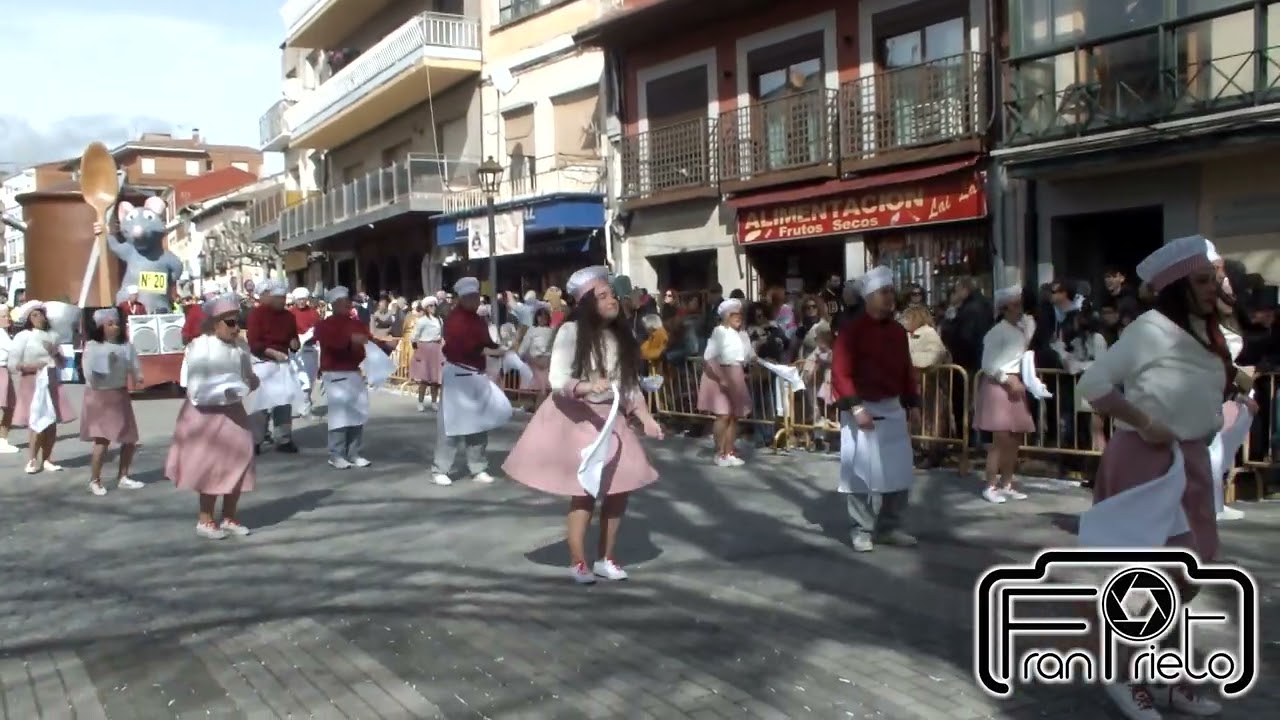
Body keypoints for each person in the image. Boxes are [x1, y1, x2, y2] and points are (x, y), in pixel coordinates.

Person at [1076, 235, 1238, 719]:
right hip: (1145, 458)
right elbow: (1092, 384)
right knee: (1142, 580)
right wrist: (1145, 421)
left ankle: (1169, 675)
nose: (1214, 287)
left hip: (1189, 459)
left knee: (1188, 575)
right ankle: (1123, 675)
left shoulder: (1207, 332)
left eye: (1215, 279)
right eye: (1204, 280)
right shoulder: (1149, 329)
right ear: (1177, 286)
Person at [502, 266, 663, 584]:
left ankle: (607, 557)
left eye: (611, 294)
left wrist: (645, 418)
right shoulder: (571, 333)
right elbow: (558, 378)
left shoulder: (620, 334)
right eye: (602, 296)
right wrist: (588, 386)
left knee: (620, 490)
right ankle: (578, 561)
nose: (611, 300)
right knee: (585, 491)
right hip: (579, 419)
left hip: (613, 418)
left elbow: (628, 385)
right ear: (588, 302)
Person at [831, 266, 920, 553]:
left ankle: (889, 527)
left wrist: (912, 402)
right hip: (862, 407)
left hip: (892, 408)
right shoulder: (851, 332)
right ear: (869, 297)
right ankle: (861, 529)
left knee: (899, 472)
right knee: (860, 473)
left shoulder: (896, 331)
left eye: (892, 292)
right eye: (884, 292)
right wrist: (855, 407)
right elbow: (841, 371)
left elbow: (906, 368)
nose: (890, 297)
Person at [166, 295, 259, 540]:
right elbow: (193, 387)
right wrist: (221, 391)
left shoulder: (241, 347)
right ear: (214, 323)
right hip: (205, 416)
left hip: (234, 411)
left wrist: (251, 382)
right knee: (210, 466)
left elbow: (249, 376)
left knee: (239, 461)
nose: (236, 327)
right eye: (230, 323)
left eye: (237, 322)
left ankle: (230, 517)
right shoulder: (199, 346)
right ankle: (205, 519)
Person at [432, 277, 508, 486]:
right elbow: (465, 347)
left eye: (476, 297)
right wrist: (493, 351)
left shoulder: (477, 320)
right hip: (458, 374)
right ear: (462, 299)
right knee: (451, 424)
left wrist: (497, 347)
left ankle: (478, 466)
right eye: (471, 297)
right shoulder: (454, 320)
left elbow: (485, 342)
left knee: (478, 423)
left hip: (475, 375)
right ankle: (440, 468)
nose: (475, 301)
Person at [974, 286, 1037, 504]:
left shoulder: (1020, 329)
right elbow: (988, 363)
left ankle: (1007, 483)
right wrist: (1006, 379)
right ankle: (990, 485)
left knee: (1015, 439)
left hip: (1016, 382)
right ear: (1005, 308)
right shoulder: (996, 332)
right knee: (1000, 439)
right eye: (1015, 304)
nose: (1020, 309)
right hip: (999, 384)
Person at [7, 300, 77, 474]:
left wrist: (54, 352)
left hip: (51, 381)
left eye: (41, 314)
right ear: (29, 319)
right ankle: (32, 459)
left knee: (51, 423)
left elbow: (62, 363)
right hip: (31, 382)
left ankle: (47, 458)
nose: (39, 318)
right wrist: (32, 366)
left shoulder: (53, 335)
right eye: (35, 315)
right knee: (36, 422)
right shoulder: (23, 336)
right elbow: (13, 364)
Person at [80, 308, 144, 496]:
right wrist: (106, 363)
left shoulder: (126, 345)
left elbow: (134, 363)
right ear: (100, 327)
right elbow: (89, 374)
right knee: (102, 440)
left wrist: (138, 376)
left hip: (120, 393)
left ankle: (123, 476)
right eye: (110, 324)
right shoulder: (93, 346)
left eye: (117, 324)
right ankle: (95, 480)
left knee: (130, 438)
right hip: (99, 396)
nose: (115, 328)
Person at [315, 287, 374, 469]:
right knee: (340, 415)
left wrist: (385, 345)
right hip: (335, 373)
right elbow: (332, 344)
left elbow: (368, 341)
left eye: (347, 301)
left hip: (354, 372)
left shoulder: (356, 323)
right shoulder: (324, 325)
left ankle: (353, 452)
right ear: (334, 305)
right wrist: (350, 340)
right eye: (343, 302)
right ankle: (336, 454)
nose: (348, 304)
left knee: (357, 412)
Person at [245, 280, 301, 454]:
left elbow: (294, 339)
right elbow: (254, 342)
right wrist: (272, 353)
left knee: (284, 403)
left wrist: (295, 344)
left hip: (283, 363)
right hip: (263, 363)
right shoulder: (257, 315)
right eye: (279, 298)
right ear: (268, 297)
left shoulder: (289, 316)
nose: (282, 301)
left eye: (284, 298)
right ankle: (254, 440)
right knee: (261, 406)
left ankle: (283, 438)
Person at [697, 298, 754, 466]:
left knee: (735, 415)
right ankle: (719, 452)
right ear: (725, 316)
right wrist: (722, 378)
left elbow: (749, 356)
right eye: (734, 314)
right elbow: (708, 357)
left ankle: (729, 451)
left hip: (736, 372)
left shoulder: (743, 334)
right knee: (723, 415)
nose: (738, 317)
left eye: (740, 314)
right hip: (719, 372)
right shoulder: (719, 332)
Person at [289, 287, 323, 417]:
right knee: (302, 379)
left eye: (303, 299)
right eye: (299, 299)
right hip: (297, 350)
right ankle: (304, 406)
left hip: (311, 348)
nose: (301, 302)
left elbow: (320, 329)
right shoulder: (291, 313)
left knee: (311, 377)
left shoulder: (314, 313)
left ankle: (306, 403)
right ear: (295, 300)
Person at [409, 296, 446, 411]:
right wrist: (417, 348)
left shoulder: (439, 320)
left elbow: (441, 335)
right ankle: (420, 402)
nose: (433, 308)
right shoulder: (422, 321)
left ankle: (434, 401)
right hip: (425, 347)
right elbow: (414, 336)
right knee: (424, 378)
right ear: (425, 308)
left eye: (434, 305)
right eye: (430, 306)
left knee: (436, 378)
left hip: (436, 348)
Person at [0, 305, 18, 454]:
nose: (8, 319)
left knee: (9, 405)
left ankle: (2, 439)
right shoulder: (1, 334)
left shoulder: (4, 333)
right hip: (1, 370)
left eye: (8, 316)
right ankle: (2, 440)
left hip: (4, 370)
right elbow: (14, 349)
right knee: (8, 405)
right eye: (5, 316)